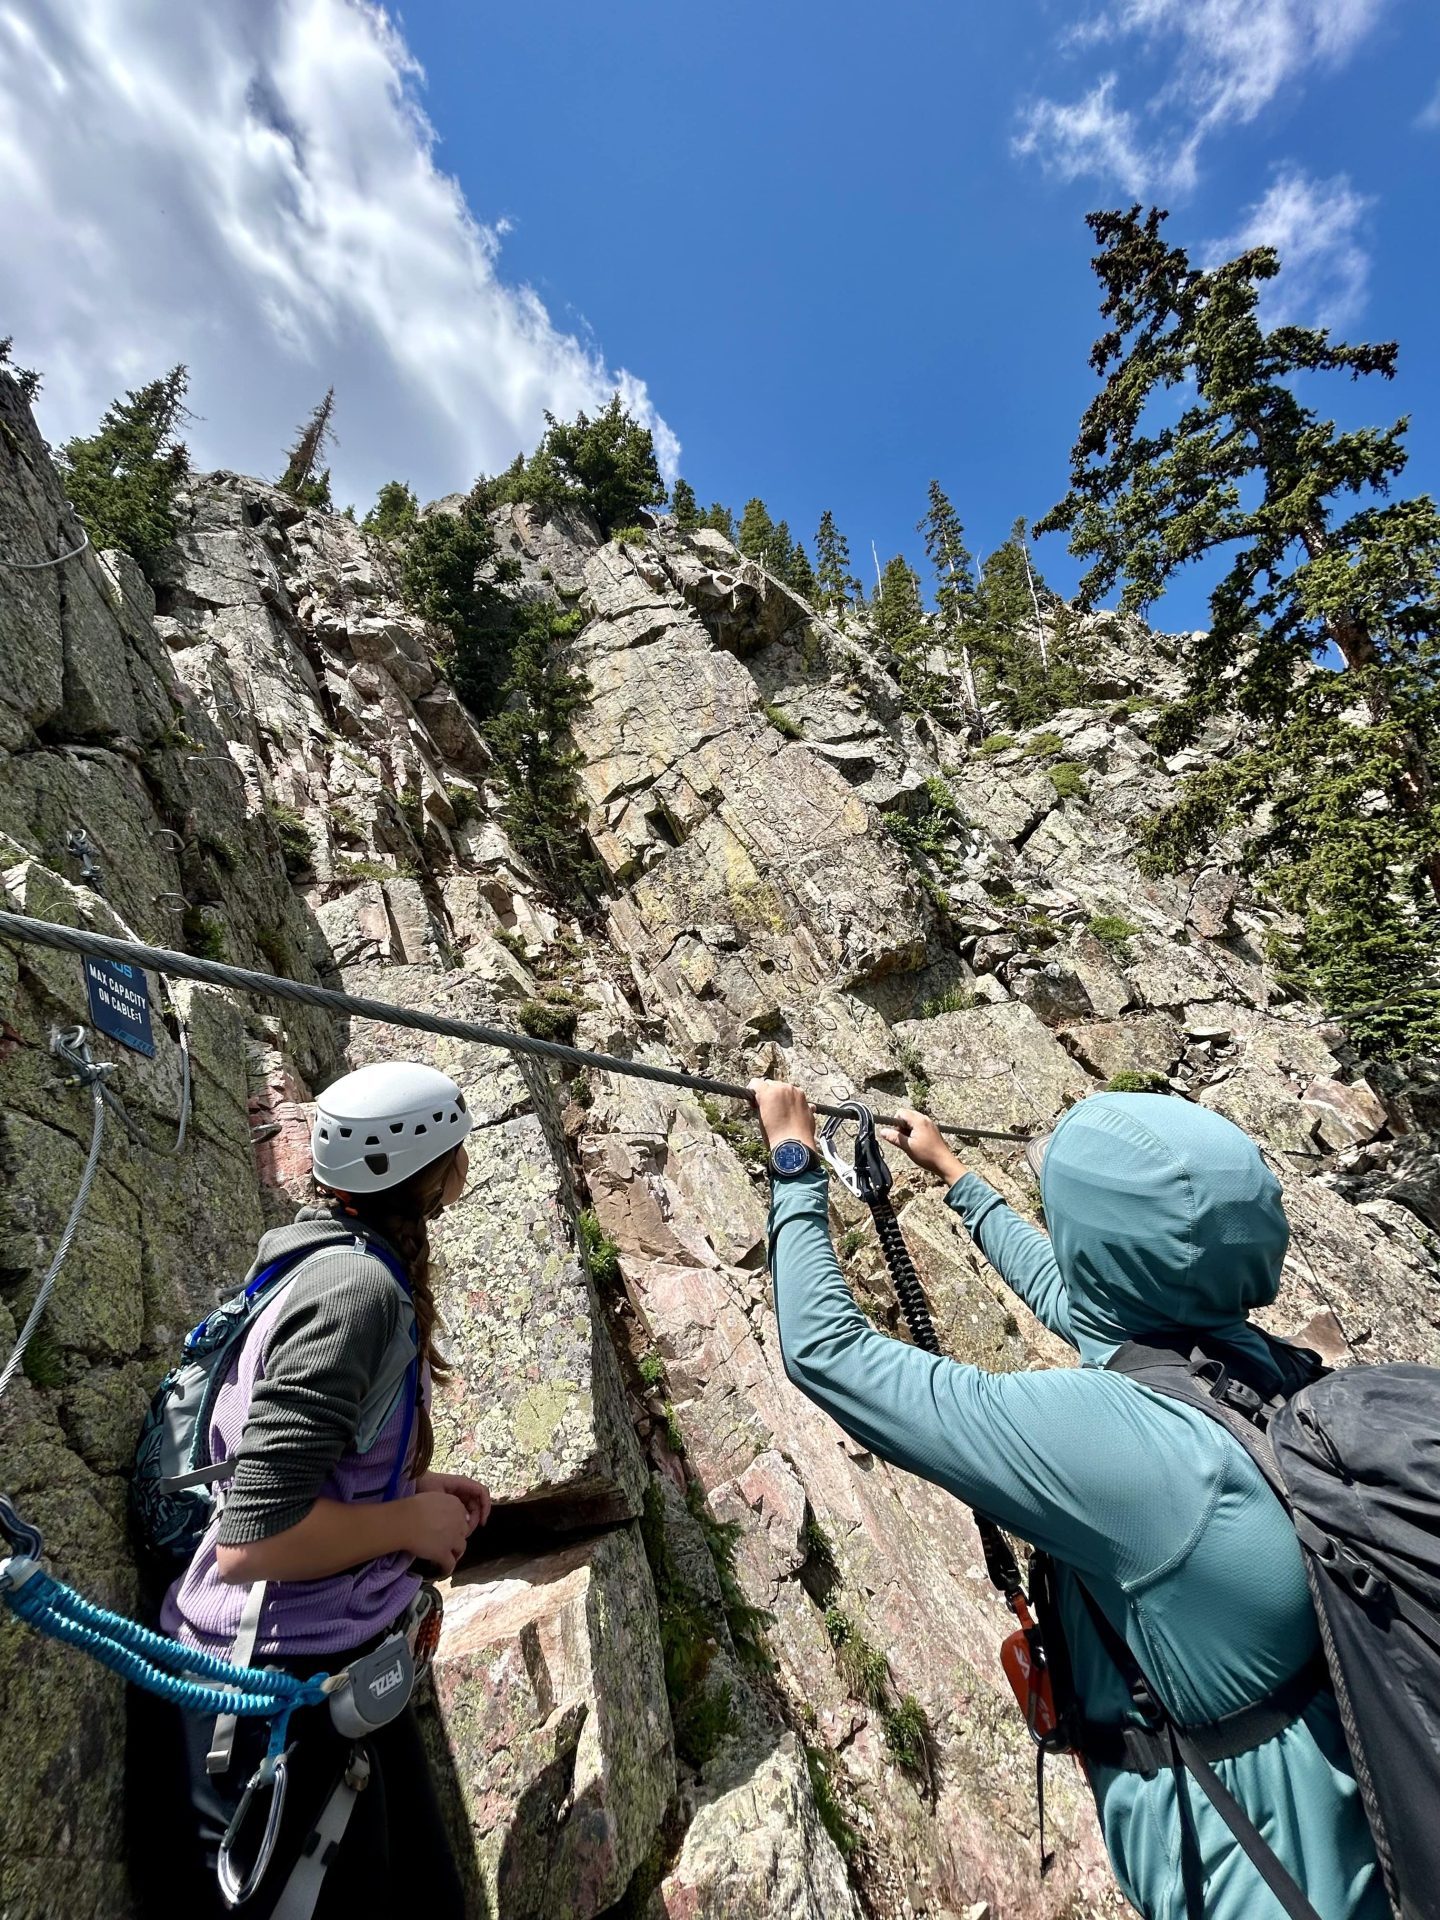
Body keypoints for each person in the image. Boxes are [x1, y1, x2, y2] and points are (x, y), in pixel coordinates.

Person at [751, 1080, 1385, 1920]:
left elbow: (830, 1354)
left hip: (1249, 1889)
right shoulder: (1251, 1368)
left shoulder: (1123, 1451)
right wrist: (954, 1174)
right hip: (1351, 1846)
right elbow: (1077, 1301)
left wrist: (794, 1163)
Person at [133, 1061, 488, 1919]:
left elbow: (295, 1462)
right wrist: (407, 1519)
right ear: (430, 1174)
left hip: (327, 1674)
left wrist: (405, 1485)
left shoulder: (324, 1258)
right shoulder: (353, 1291)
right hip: (274, 1702)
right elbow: (255, 1540)